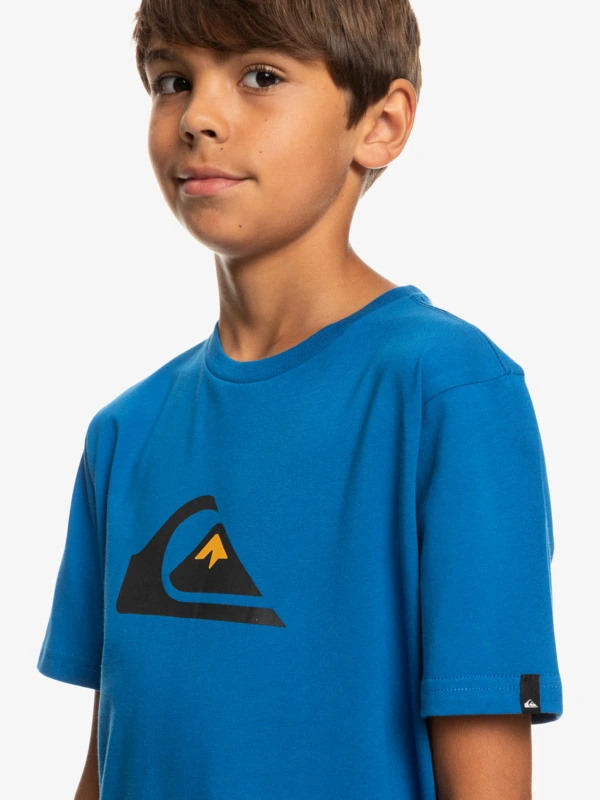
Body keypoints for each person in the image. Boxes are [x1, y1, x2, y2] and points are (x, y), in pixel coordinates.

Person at [37, 1, 563, 798]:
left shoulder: (448, 393)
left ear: (380, 124)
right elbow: (109, 759)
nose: (199, 117)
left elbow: (487, 776)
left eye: (260, 76)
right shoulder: (125, 431)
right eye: (173, 81)